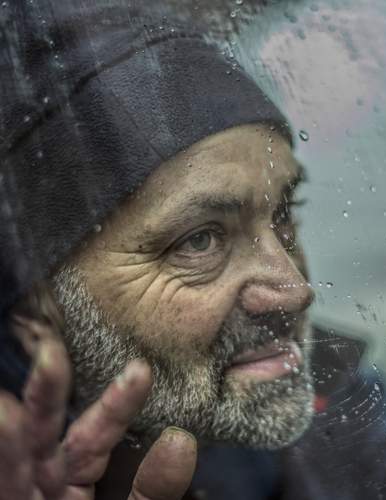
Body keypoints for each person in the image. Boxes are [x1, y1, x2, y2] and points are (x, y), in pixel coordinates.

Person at [0, 0, 314, 498]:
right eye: (200, 240)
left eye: (282, 215)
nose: (295, 291)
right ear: (37, 309)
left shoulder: (324, 391)